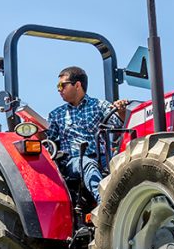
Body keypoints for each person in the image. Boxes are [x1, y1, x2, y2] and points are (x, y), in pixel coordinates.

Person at [46, 66, 128, 204]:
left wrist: (121, 111)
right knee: (87, 164)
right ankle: (106, 205)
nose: (59, 89)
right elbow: (48, 141)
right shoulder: (56, 114)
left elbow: (118, 124)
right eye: (58, 86)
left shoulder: (99, 105)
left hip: (102, 157)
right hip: (73, 161)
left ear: (77, 85)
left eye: (62, 85)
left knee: (123, 163)